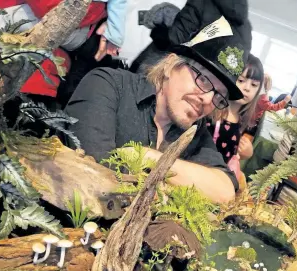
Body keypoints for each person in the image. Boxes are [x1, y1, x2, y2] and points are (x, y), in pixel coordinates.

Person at [65, 10, 252, 204]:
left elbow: (224, 191)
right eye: (203, 79)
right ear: (171, 65)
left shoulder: (195, 132)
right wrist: (179, 183)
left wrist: (149, 157)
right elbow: (95, 174)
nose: (208, 99)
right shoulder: (108, 85)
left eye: (219, 95)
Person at [206, 54, 263, 179]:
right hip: (201, 174)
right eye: (241, 80)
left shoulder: (242, 120)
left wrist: (246, 153)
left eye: (254, 85)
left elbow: (230, 152)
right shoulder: (210, 112)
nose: (247, 88)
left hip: (220, 178)